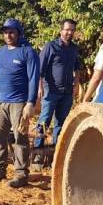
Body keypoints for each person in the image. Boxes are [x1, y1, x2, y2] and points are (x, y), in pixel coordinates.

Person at [0, 17, 39, 188]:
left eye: (11, 32)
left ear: (18, 33)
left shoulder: (27, 52)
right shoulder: (0, 53)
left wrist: (30, 103)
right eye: (6, 32)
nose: (8, 35)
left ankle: (21, 174)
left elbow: (33, 79)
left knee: (20, 138)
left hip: (18, 103)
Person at [36, 19, 81, 147]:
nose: (69, 32)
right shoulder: (51, 46)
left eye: (72, 30)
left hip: (67, 92)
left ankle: (55, 153)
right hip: (50, 91)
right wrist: (40, 88)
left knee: (61, 123)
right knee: (44, 121)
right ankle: (38, 153)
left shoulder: (74, 48)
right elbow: (40, 69)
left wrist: (76, 84)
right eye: (67, 29)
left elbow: (77, 68)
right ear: (61, 30)